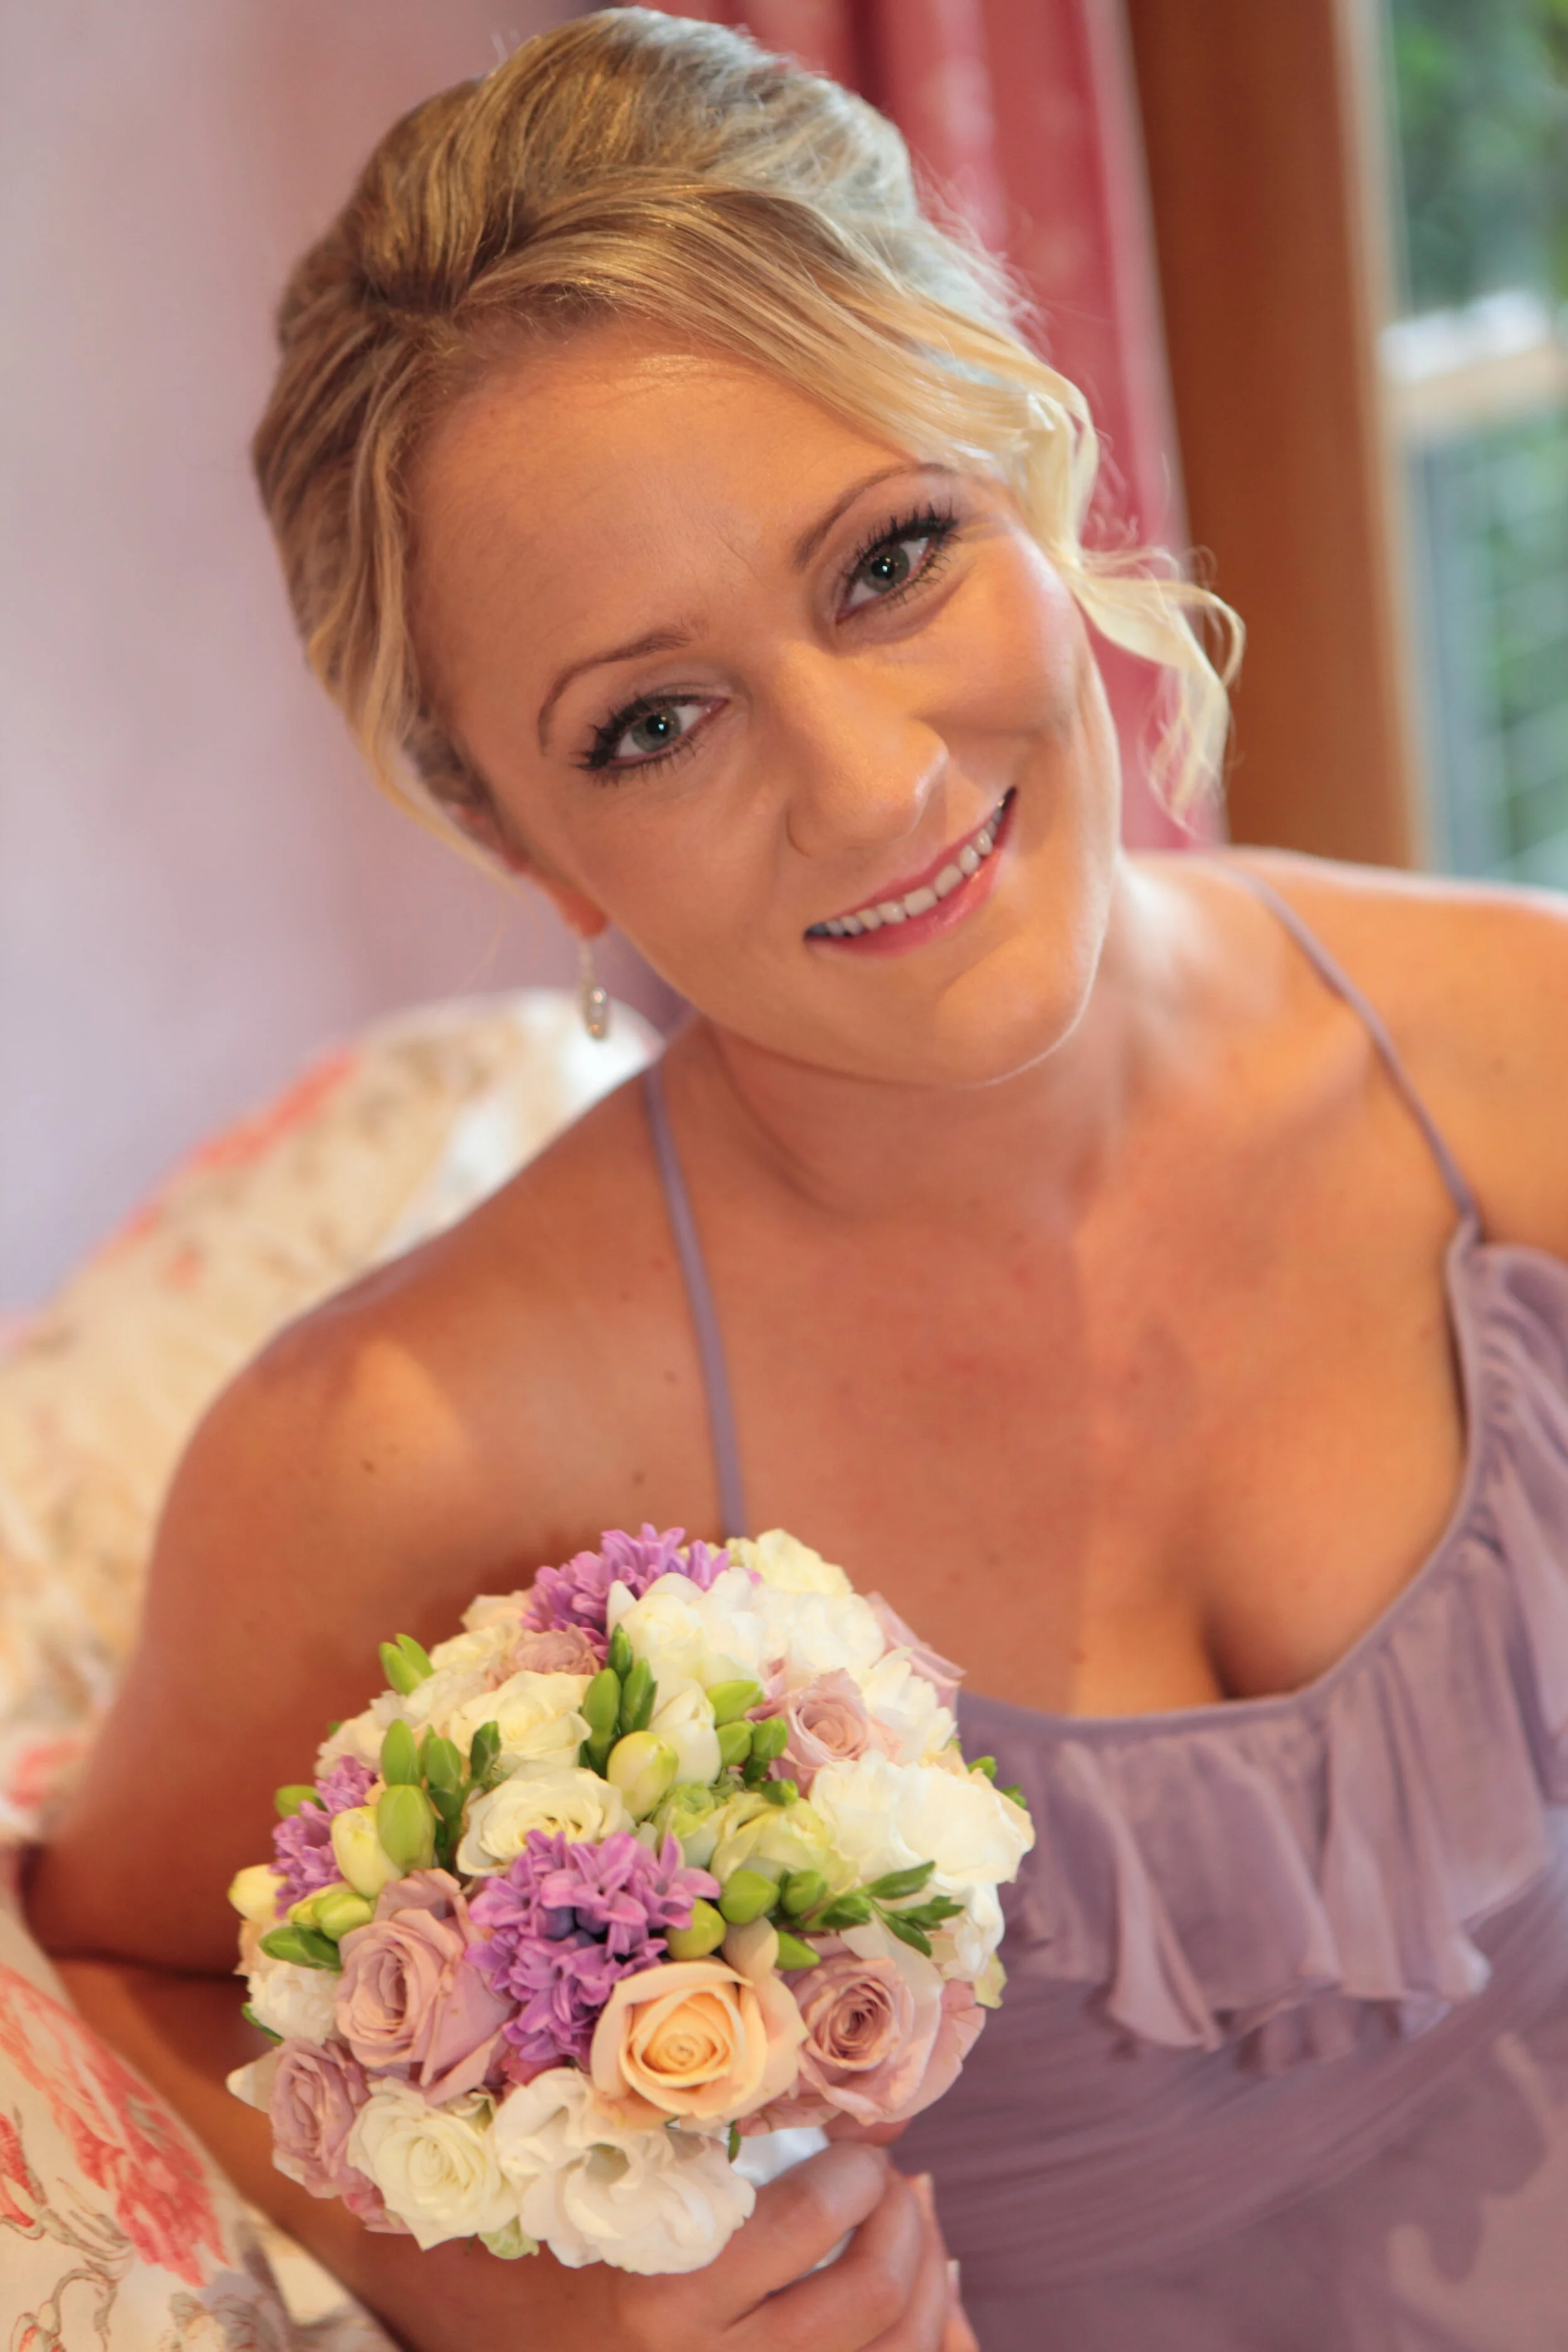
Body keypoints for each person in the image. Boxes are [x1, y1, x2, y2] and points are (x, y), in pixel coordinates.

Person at [26, 9, 1568, 2347]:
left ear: (1033, 467)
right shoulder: (410, 1439)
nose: (862, 787)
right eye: (652, 721)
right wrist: (476, 2267)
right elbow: (123, 1956)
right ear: (513, 836)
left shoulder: (1520, 1052)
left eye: (889, 558)